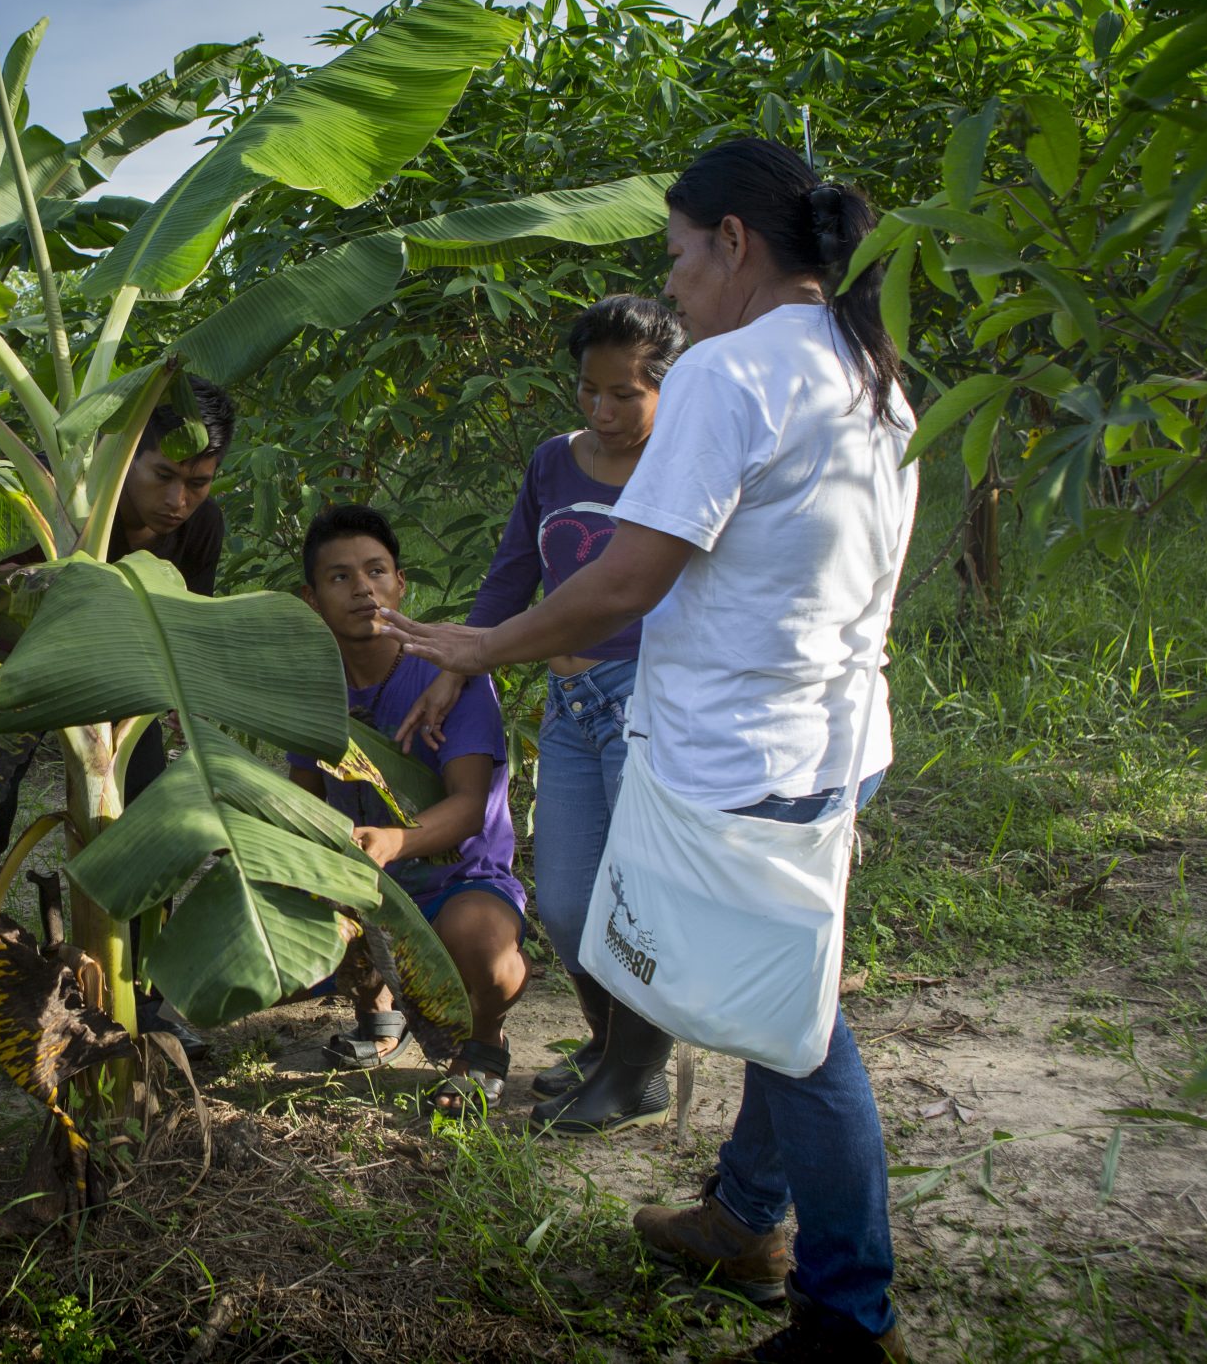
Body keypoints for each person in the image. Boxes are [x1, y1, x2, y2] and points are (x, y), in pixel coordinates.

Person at [379, 139, 918, 1363]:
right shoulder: (871, 368)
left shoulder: (733, 374)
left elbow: (622, 581)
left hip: (749, 759)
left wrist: (480, 647)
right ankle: (741, 1215)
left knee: (799, 1030)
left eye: (678, 256)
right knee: (783, 998)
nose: (671, 287)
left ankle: (847, 1314)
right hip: (840, 735)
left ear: (733, 243)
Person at [396, 295, 686, 1135]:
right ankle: (611, 1047)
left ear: (667, 390)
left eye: (625, 395)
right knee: (564, 901)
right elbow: (510, 575)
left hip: (647, 701)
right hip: (568, 704)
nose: (602, 411)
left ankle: (638, 1072)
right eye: (589, 390)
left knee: (635, 898)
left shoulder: (682, 467)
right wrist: (455, 671)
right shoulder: (554, 463)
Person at [0, 376, 237, 1080]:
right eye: (163, 476)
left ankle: (145, 997)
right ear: (128, 457)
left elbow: (181, 629)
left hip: (122, 691)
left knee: (154, 829)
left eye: (200, 481)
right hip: (6, 671)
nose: (178, 500)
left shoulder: (199, 529)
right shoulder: (44, 497)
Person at [287, 505, 527, 1115]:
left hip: (458, 880)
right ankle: (378, 1012)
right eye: (340, 577)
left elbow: (470, 806)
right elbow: (303, 796)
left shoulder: (449, 669)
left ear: (401, 585)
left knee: (479, 944)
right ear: (311, 599)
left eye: (376, 571)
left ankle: (483, 1043)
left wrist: (393, 842)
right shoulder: (308, 683)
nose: (363, 588)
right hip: (361, 875)